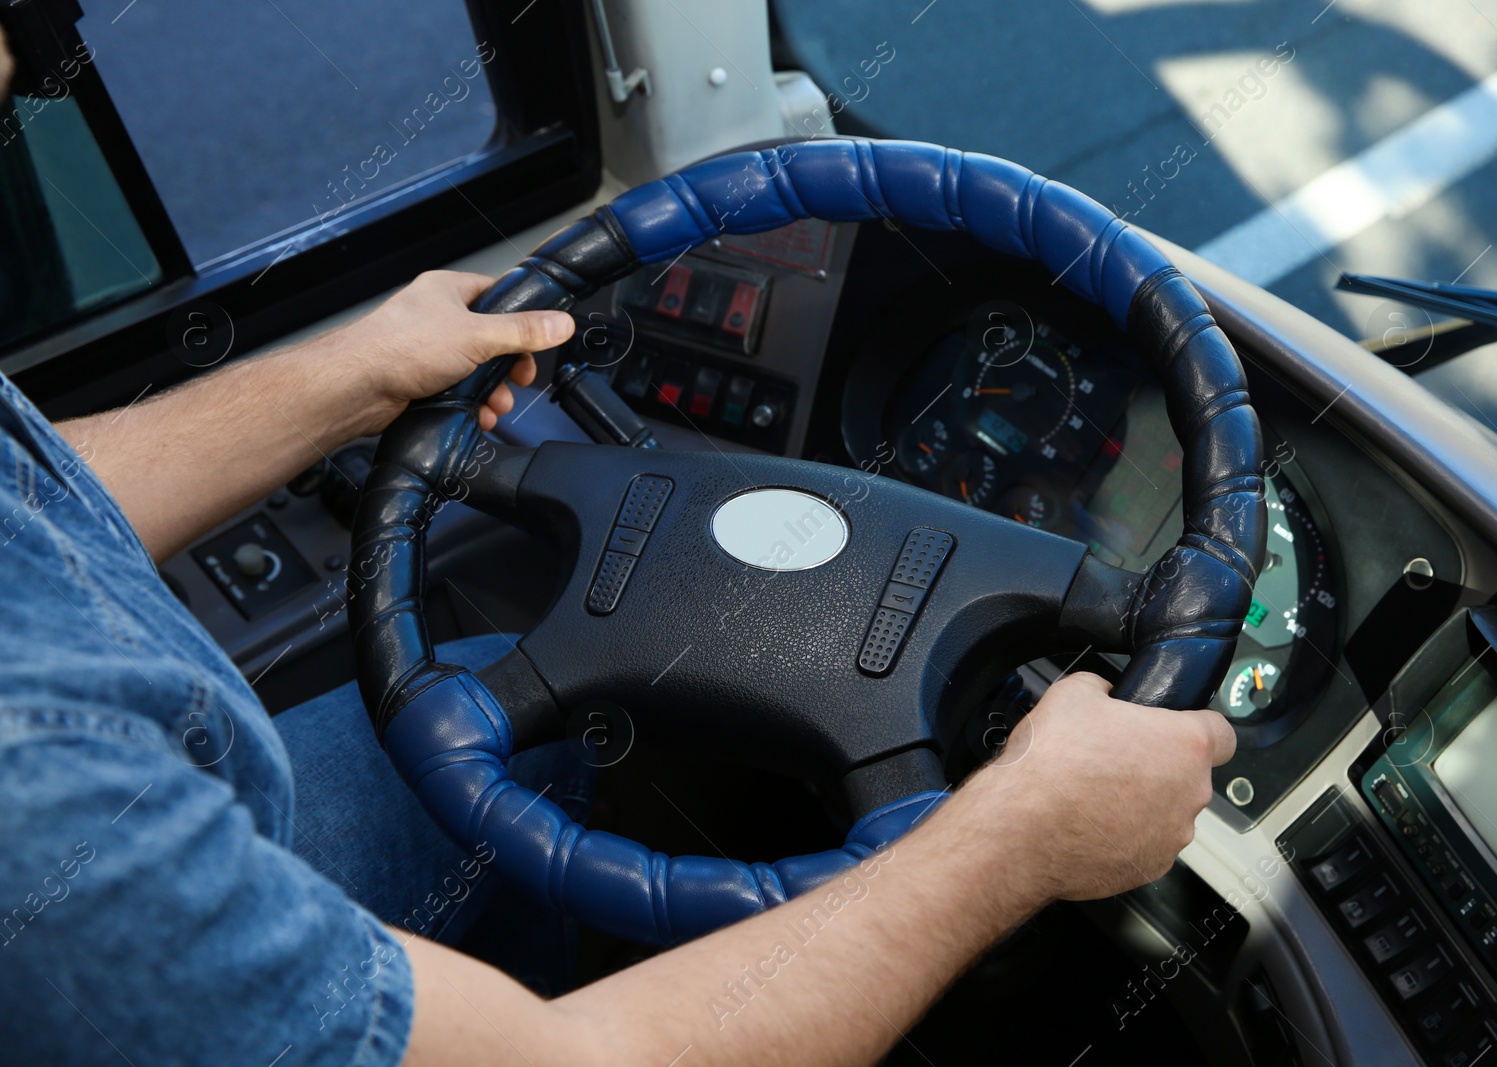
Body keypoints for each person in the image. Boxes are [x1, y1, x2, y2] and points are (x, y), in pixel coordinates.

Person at [0, 30, 1236, 1066]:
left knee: (493, 713)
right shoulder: (47, 813)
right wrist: (1016, 833)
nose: (27, 60)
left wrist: (350, 370)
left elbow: (29, 499)